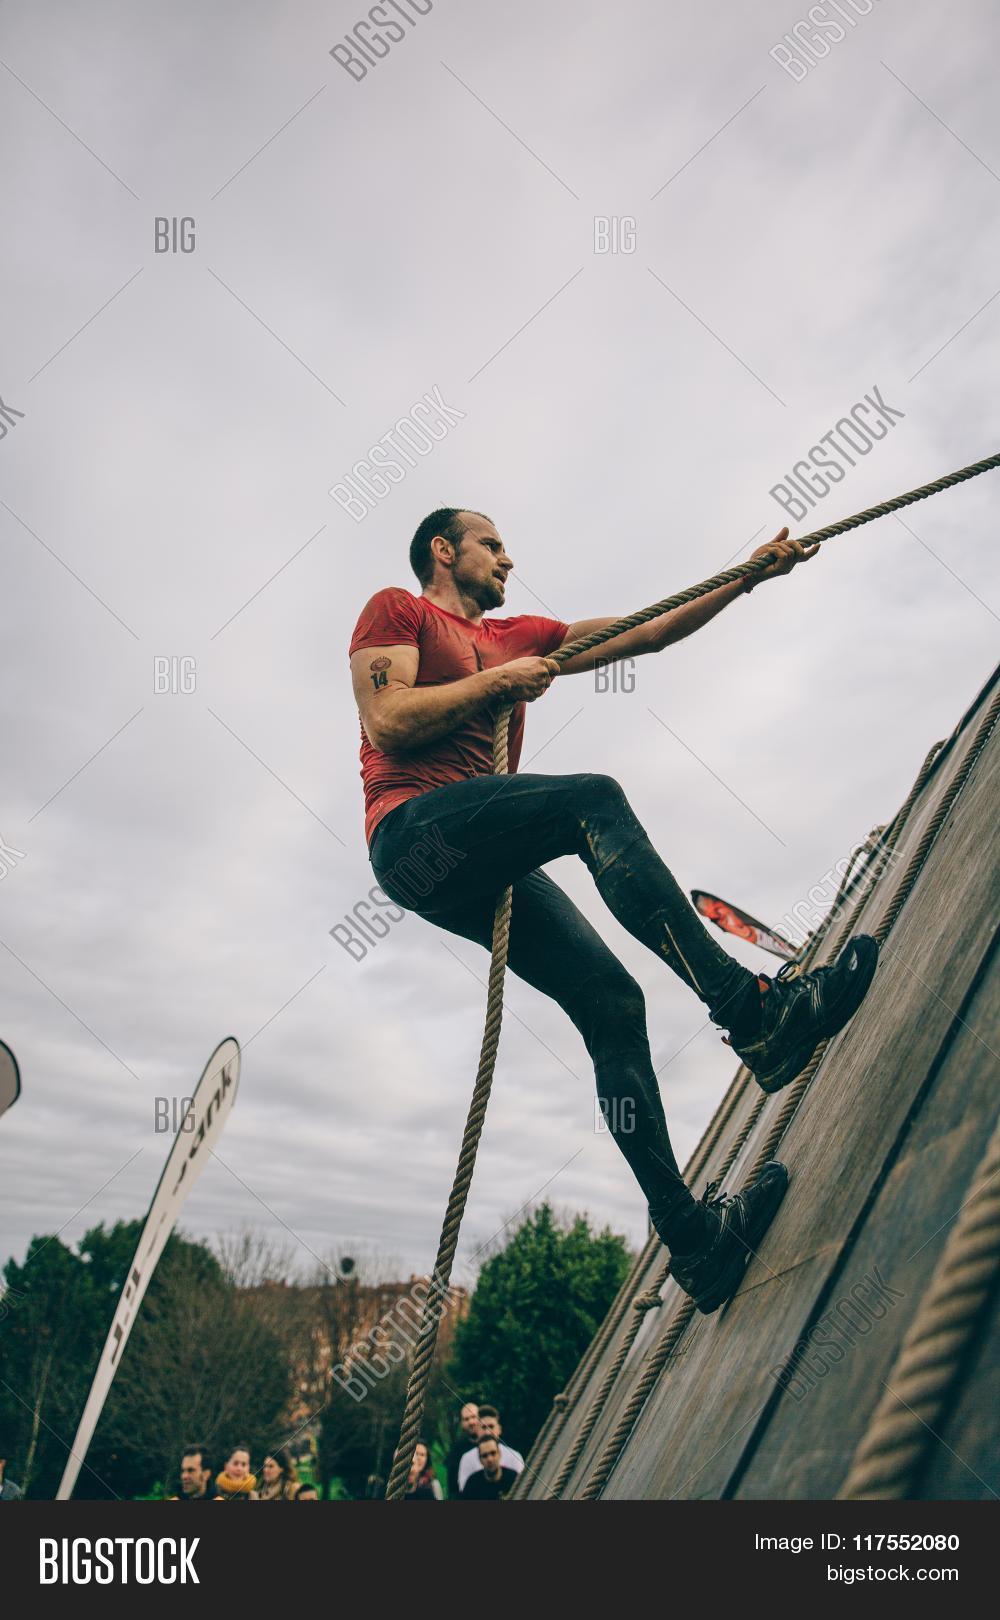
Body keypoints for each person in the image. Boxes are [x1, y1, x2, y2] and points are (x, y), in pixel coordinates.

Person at [348, 509, 879, 1314]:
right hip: (415, 836)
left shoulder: (527, 634)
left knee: (614, 1003)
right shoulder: (399, 610)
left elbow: (650, 631)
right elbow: (385, 719)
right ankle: (751, 1011)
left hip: (486, 855)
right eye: (493, 544)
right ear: (443, 550)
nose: (508, 558)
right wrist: (498, 684)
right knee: (590, 801)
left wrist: (748, 575)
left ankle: (692, 1239)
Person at [457, 1405, 523, 1495]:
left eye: (491, 1427)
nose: (487, 1432)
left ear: (499, 1429)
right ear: (477, 1430)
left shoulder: (514, 1456)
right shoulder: (467, 1459)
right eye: (484, 1427)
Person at [445, 1402, 480, 1498]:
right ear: (461, 1423)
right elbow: (452, 1485)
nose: (471, 1422)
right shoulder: (456, 1449)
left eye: (473, 1417)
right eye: (466, 1419)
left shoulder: (491, 1444)